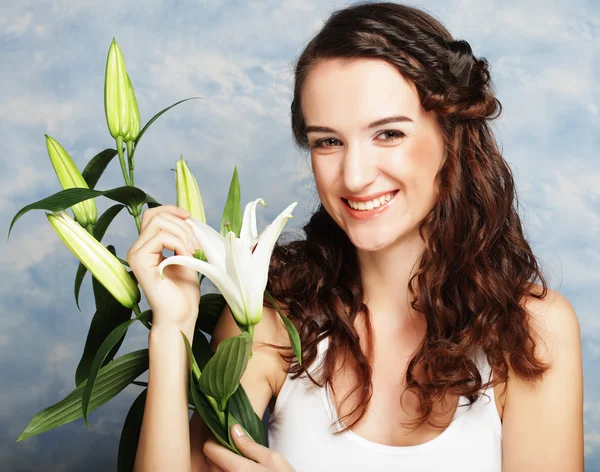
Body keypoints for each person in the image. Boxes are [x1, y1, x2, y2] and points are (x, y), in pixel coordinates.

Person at [128, 2, 584, 471]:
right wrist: (172, 331)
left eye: (387, 134)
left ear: (452, 135)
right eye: (328, 141)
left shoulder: (530, 332)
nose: (355, 175)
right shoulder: (272, 317)